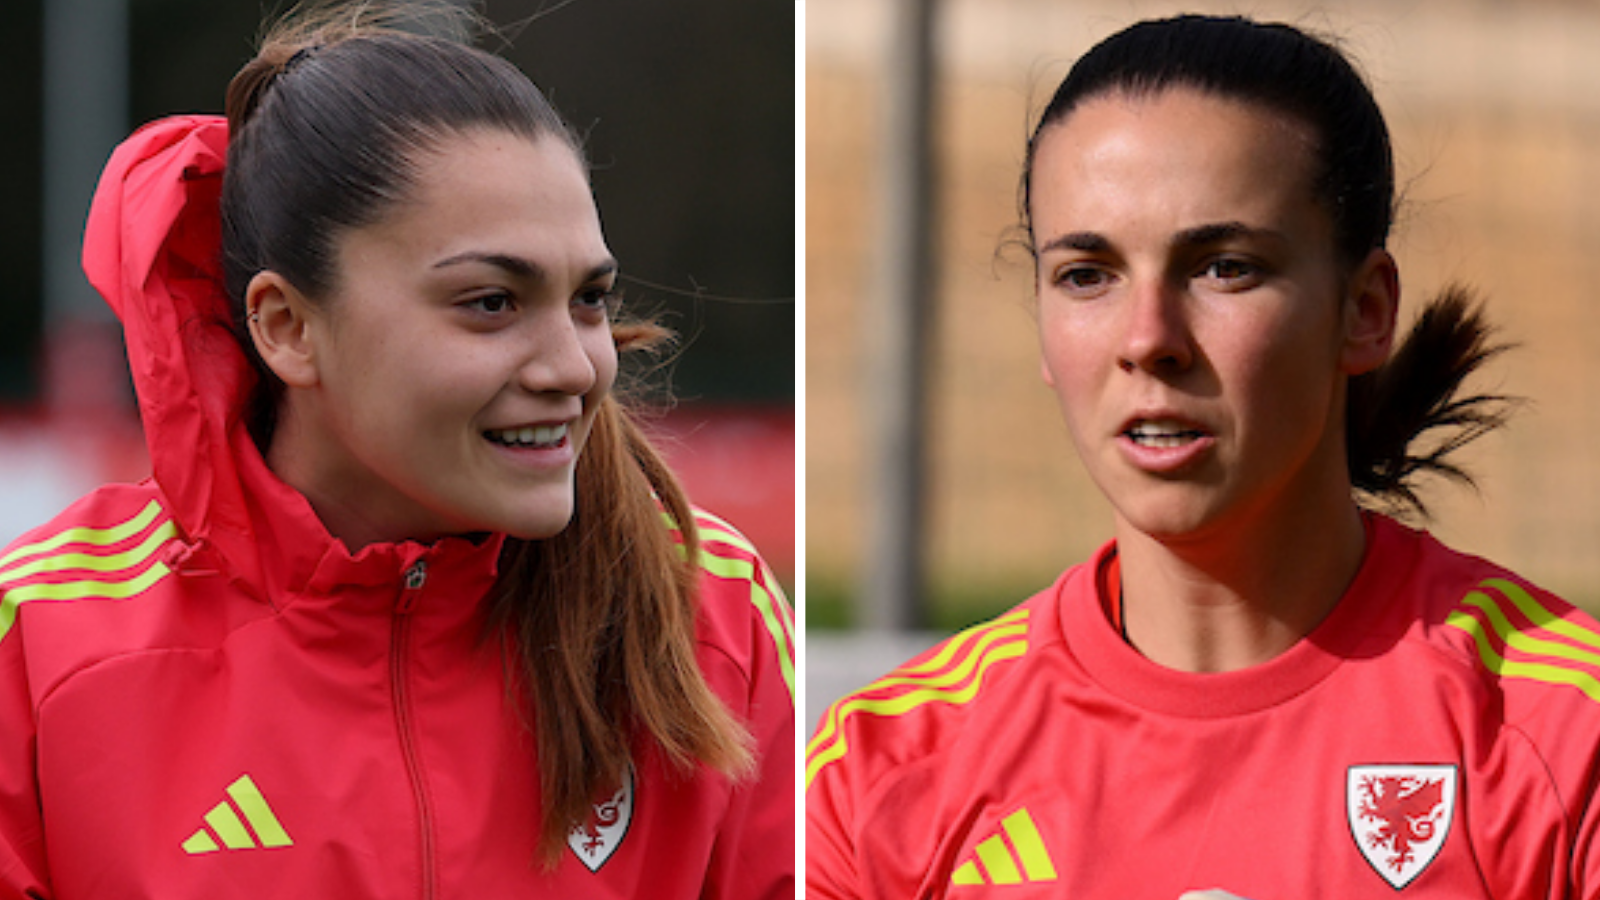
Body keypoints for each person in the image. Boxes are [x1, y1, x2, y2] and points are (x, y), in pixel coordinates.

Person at [0, 2, 794, 896]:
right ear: (288, 327)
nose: (574, 368)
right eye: (491, 302)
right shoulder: (42, 645)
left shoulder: (713, 611)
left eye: (590, 299)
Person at [806, 14, 1600, 898]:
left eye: (1224, 267)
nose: (1149, 339)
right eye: (1086, 275)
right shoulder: (881, 773)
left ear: (1365, 309)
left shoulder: (1561, 734)